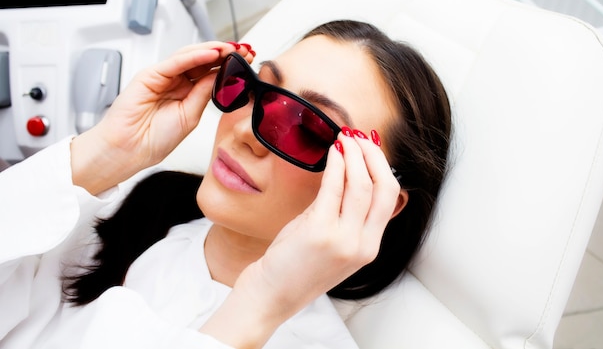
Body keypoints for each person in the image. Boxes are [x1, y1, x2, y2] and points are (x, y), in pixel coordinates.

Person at [0, 20, 451, 348]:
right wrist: (101, 155)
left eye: (307, 127)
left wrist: (259, 306)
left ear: (378, 198)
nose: (243, 132)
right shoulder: (116, 216)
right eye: (253, 88)